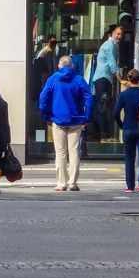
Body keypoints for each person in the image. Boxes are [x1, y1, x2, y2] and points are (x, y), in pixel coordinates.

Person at [38, 55, 94, 192]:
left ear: (59, 66)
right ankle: (73, 183)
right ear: (72, 66)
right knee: (74, 152)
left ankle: (61, 183)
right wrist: (87, 117)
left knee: (60, 153)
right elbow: (89, 99)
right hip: (76, 120)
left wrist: (46, 116)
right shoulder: (79, 79)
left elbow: (43, 98)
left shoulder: (53, 79)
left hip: (57, 120)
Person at [92, 25, 124, 136]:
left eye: (121, 34)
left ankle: (98, 131)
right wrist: (120, 79)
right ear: (112, 33)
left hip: (103, 78)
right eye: (117, 34)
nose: (119, 36)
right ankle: (103, 132)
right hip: (103, 78)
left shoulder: (112, 44)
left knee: (101, 105)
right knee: (102, 105)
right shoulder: (110, 45)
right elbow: (112, 64)